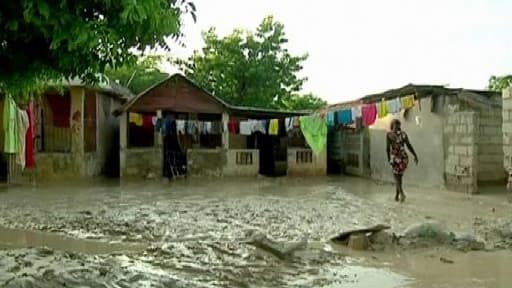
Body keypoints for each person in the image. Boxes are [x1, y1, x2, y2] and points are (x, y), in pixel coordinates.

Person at [386, 119, 418, 202]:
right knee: (399, 177)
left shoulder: (389, 134)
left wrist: (389, 159)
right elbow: (408, 145)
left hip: (395, 158)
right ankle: (397, 196)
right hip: (404, 157)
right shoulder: (403, 134)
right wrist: (415, 155)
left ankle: (402, 194)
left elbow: (387, 148)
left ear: (392, 126)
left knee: (396, 177)